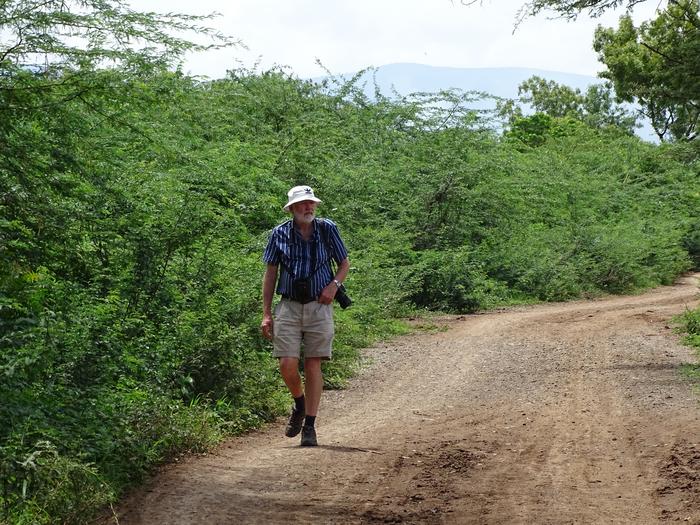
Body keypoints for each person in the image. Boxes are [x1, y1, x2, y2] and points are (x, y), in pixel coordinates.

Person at [261, 185, 350, 447]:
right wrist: (266, 313)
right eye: (302, 204)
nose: (308, 207)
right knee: (287, 364)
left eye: (311, 203)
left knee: (313, 363)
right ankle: (299, 403)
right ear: (291, 209)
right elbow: (271, 273)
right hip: (288, 305)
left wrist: (333, 286)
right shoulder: (278, 234)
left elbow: (344, 263)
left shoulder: (327, 229)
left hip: (319, 306)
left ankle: (309, 426)